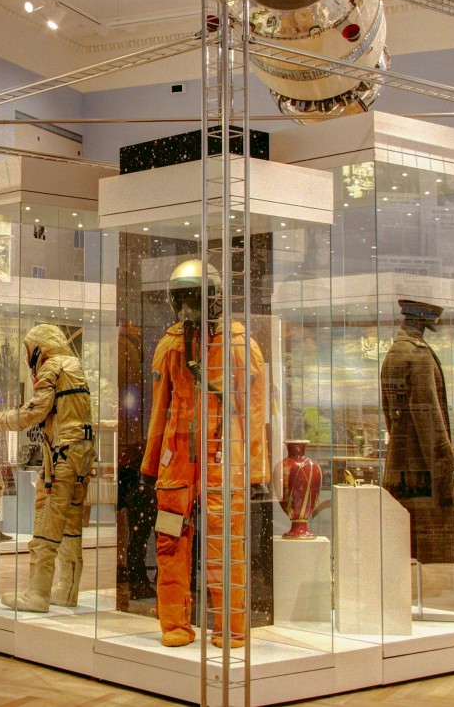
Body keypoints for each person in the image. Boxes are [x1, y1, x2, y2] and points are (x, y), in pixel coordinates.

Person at [140, 259, 267, 648]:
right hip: (177, 459)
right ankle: (174, 624)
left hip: (222, 456)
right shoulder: (171, 346)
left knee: (224, 542)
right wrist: (151, 465)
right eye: (182, 299)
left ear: (214, 298)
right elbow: (160, 409)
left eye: (195, 298)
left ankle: (231, 626)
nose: (188, 308)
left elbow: (254, 413)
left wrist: (256, 471)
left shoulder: (239, 345)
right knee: (170, 541)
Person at [0, 324, 95, 612]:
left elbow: (36, 411)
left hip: (61, 455)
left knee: (47, 519)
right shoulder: (74, 366)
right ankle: (67, 589)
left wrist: (1, 420)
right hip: (82, 455)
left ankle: (37, 593)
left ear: (38, 350)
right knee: (70, 525)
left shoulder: (52, 369)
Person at [380, 299, 454, 563]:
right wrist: (443, 458)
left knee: (402, 536)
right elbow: (428, 413)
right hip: (422, 461)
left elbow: (388, 409)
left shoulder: (395, 351)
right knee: (427, 540)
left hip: (401, 456)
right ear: (423, 319)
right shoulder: (418, 354)